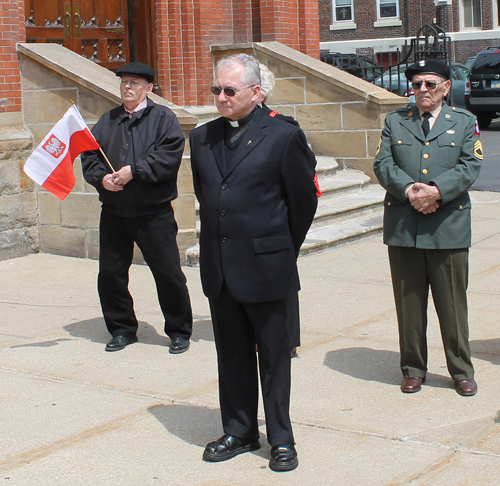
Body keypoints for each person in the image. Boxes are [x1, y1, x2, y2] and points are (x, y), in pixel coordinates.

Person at [190, 53, 317, 471]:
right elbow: (209, 199)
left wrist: (279, 247)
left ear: (255, 92)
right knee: (232, 356)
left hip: (267, 266)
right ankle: (239, 430)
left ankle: (281, 437)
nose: (221, 98)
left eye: (230, 90)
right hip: (221, 269)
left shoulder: (282, 136)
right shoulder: (202, 137)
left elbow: (301, 202)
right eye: (216, 90)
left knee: (276, 358)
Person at [373, 59, 483, 396]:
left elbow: (470, 164)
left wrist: (436, 191)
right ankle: (413, 368)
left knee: (451, 305)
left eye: (430, 84)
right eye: (417, 84)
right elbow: (382, 163)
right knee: (409, 306)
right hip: (404, 226)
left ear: (446, 87)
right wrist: (410, 191)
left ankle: (461, 369)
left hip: (447, 225)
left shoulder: (464, 122)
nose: (422, 90)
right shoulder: (395, 121)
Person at [81, 61, 192, 354]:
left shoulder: (163, 118)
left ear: (148, 88)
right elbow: (90, 157)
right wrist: (102, 178)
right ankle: (122, 329)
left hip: (153, 212)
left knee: (168, 274)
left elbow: (169, 156)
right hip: (115, 212)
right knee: (111, 274)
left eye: (134, 83)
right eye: (124, 82)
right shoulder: (108, 120)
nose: (127, 87)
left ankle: (179, 331)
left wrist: (135, 170)